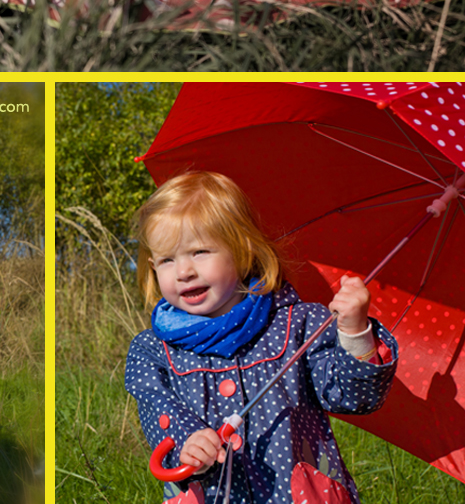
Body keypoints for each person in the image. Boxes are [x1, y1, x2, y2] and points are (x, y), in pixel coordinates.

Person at [125, 171, 398, 503]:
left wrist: (354, 331)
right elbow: (157, 408)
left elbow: (353, 397)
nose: (183, 272)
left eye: (200, 252)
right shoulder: (154, 350)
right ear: (152, 266)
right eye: (167, 260)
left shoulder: (298, 325)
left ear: (242, 251)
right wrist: (188, 443)